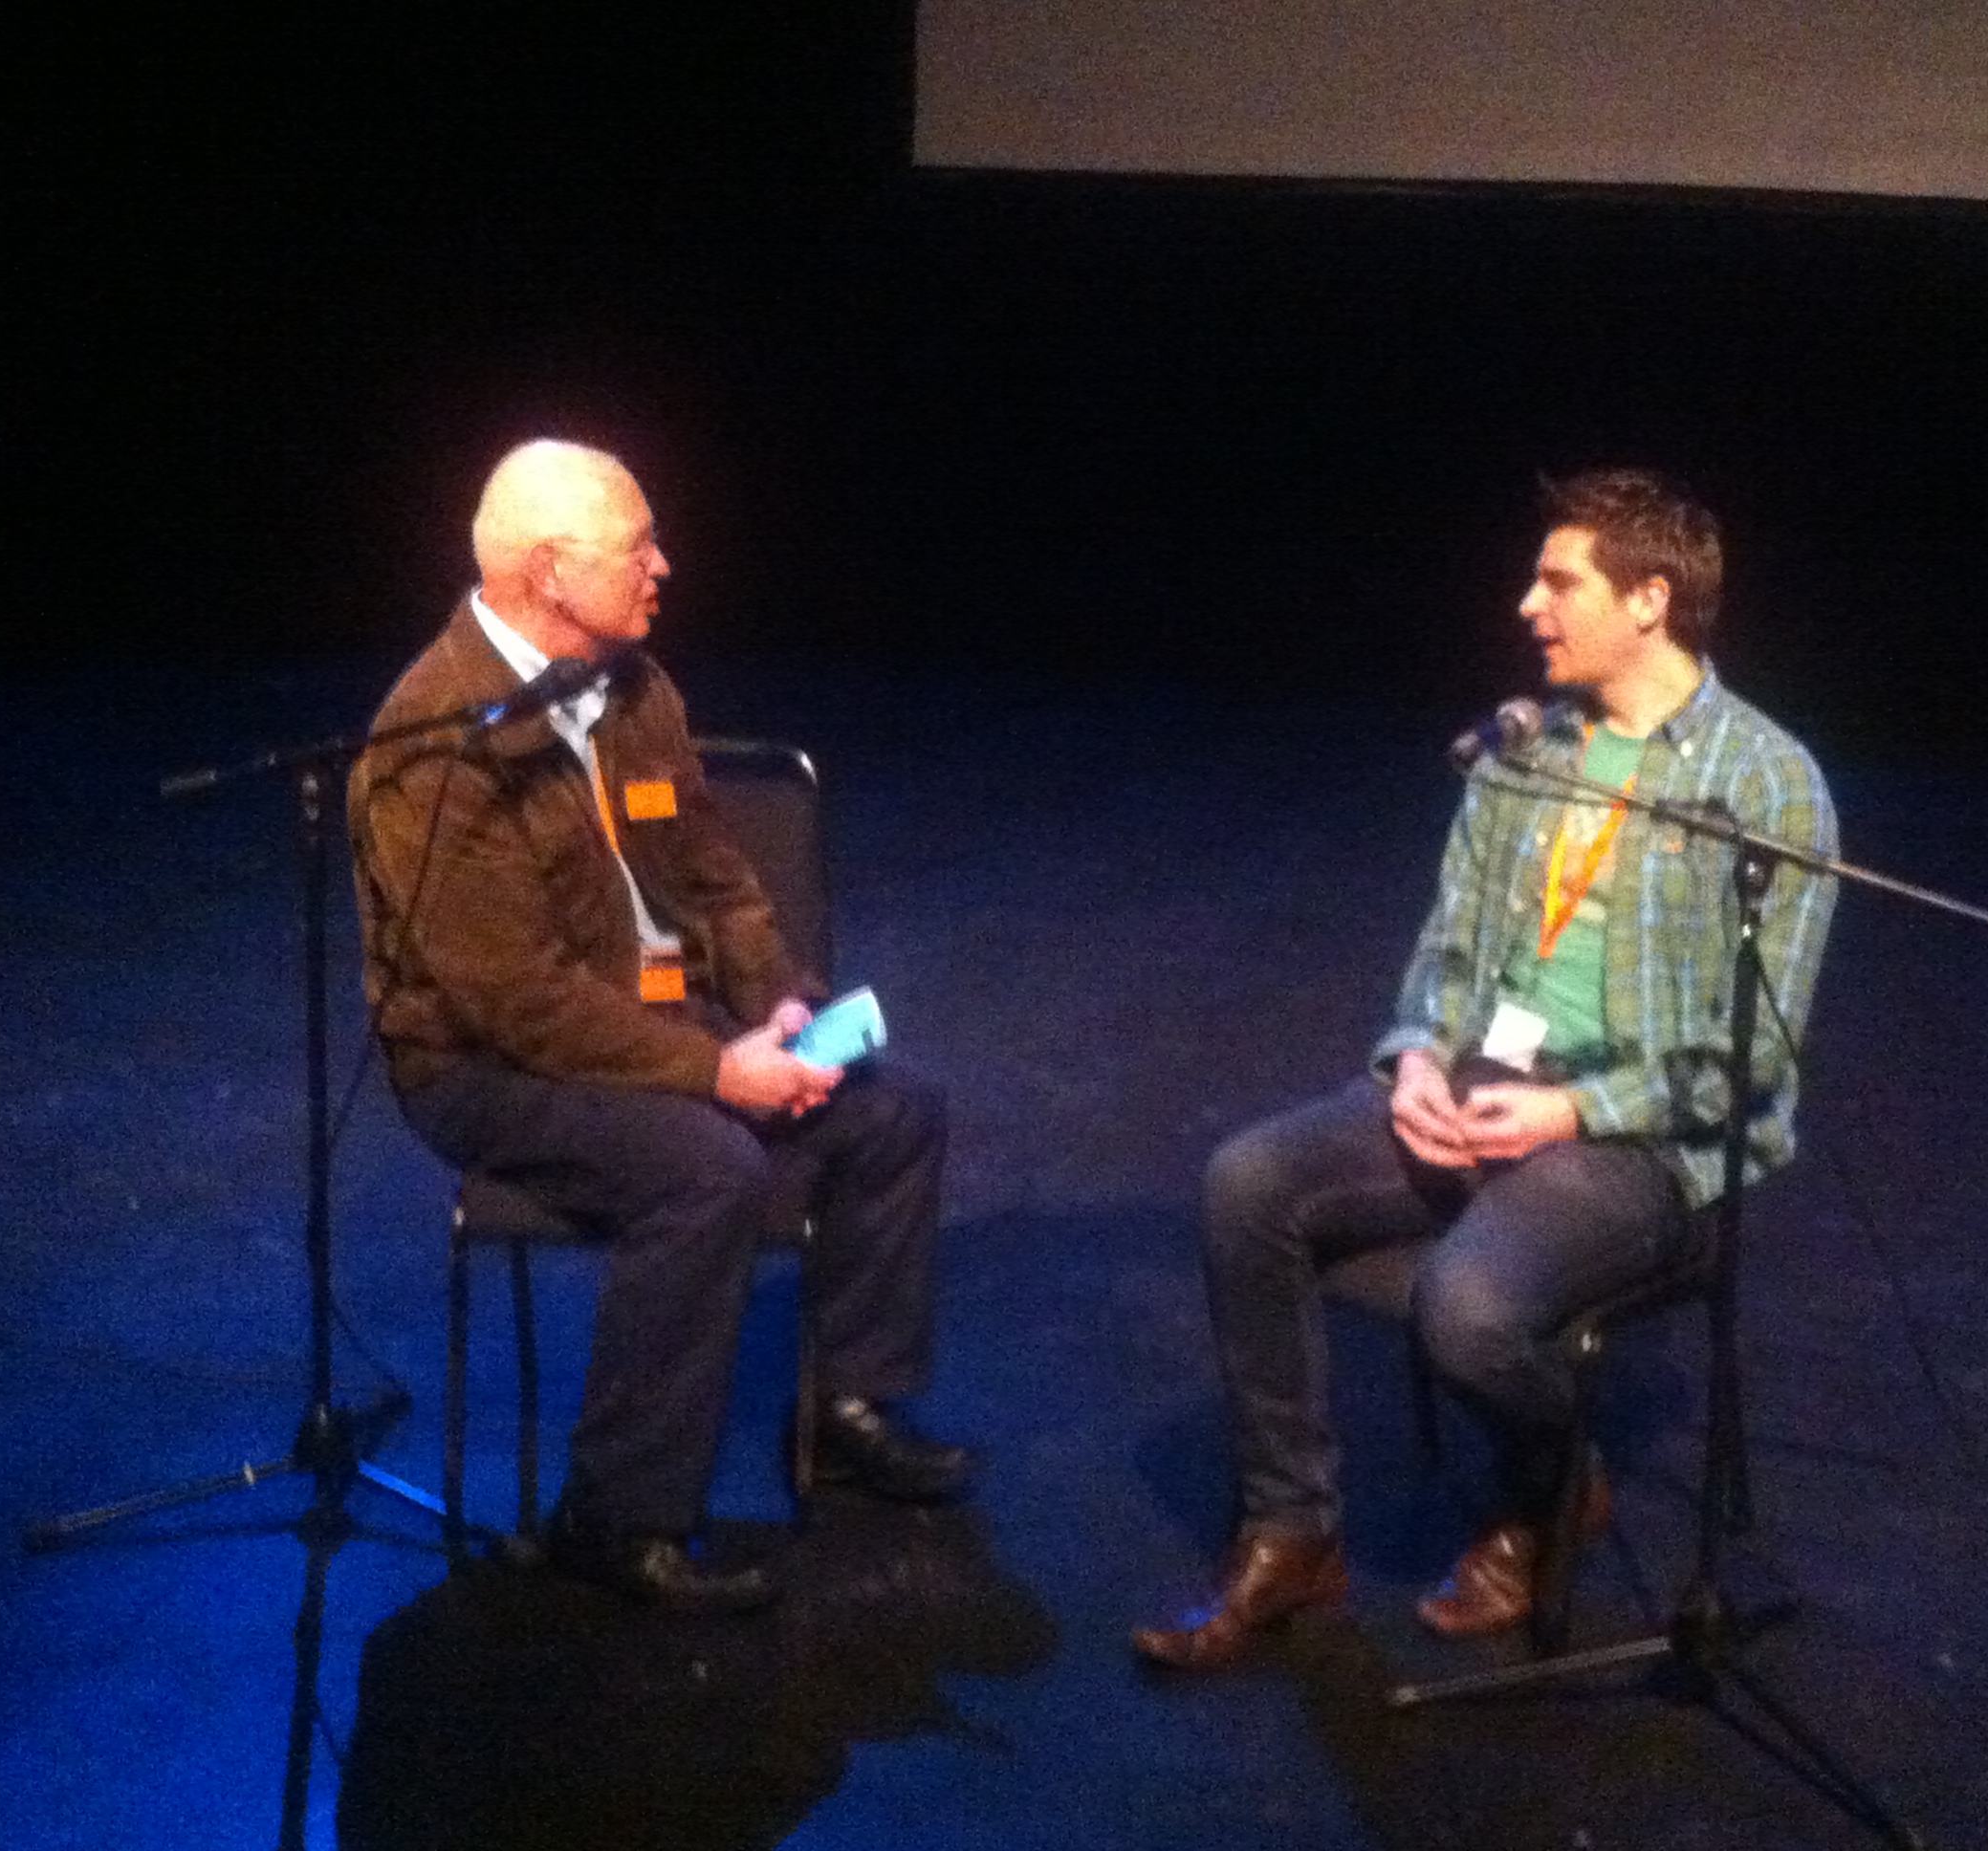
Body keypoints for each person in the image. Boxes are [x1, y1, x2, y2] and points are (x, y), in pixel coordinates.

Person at [1134, 468, 1838, 1668]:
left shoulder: (1766, 780)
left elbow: (1754, 1055)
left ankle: (1560, 1488)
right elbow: (1448, 950)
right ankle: (1291, 1533)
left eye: (1559, 580)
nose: (1528, 603)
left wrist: (1568, 1108)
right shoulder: (1526, 749)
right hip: (1486, 1075)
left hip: (1645, 1137)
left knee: (1467, 1309)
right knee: (1247, 1180)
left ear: (1651, 599)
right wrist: (1412, 1057)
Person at [348, 439, 974, 1612]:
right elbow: (518, 999)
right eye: (638, 546)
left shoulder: (634, 684)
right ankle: (616, 1515)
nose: (664, 565)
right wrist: (713, 1073)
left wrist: (774, 997)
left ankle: (845, 1405)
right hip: (485, 1064)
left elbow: (713, 873)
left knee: (892, 1110)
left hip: (648, 1016)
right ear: (548, 573)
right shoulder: (431, 744)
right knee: (705, 1167)